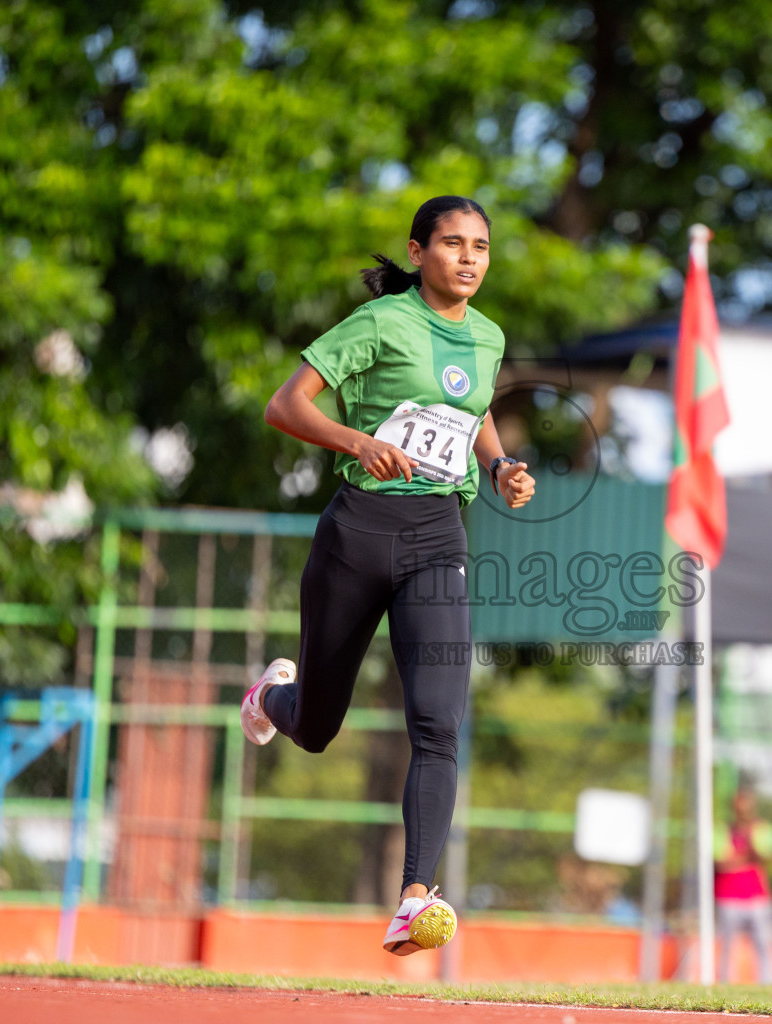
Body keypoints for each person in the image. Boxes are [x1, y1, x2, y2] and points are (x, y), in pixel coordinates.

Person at [237, 196, 535, 956]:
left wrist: (497, 465)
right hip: (358, 532)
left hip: (439, 536)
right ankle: (272, 695)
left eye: (480, 247)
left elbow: (473, 413)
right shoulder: (380, 324)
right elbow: (285, 405)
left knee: (438, 723)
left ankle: (414, 897)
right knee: (318, 726)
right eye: (451, 244)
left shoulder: (490, 337)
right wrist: (356, 440)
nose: (468, 258)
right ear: (416, 253)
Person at [714, 783, 772, 984]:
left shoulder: (762, 828)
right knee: (727, 945)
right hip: (728, 896)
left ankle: (770, 983)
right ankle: (724, 984)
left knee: (765, 943)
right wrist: (747, 857)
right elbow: (721, 862)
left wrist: (746, 849)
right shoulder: (722, 830)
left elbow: (765, 857)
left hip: (757, 896)